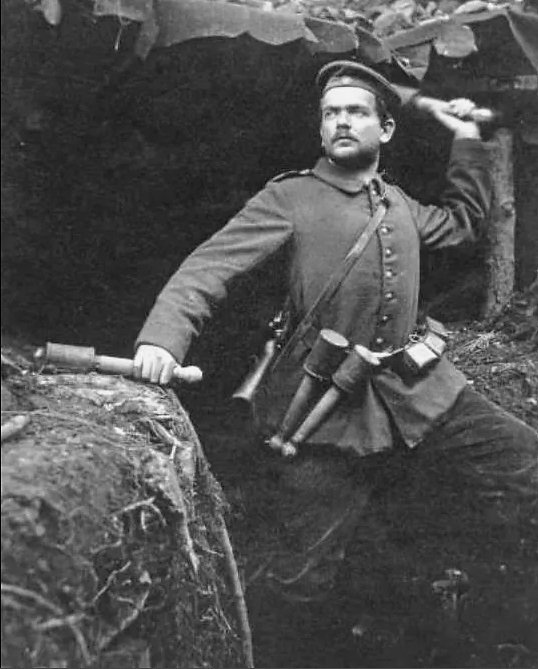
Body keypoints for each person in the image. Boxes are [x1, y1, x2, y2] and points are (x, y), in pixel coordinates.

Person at [133, 61, 537, 605]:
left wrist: (466, 139)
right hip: (325, 410)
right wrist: (162, 340)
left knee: (522, 462)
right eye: (331, 114)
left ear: (385, 129)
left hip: (418, 392)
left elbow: (461, 223)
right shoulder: (290, 198)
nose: (341, 122)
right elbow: (207, 269)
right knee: (300, 578)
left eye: (356, 112)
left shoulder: (398, 203)